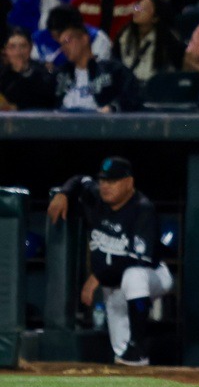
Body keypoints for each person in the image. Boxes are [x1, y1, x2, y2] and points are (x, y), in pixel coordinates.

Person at [47, 156, 174, 366]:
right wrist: (63, 193)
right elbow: (81, 179)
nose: (105, 186)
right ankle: (135, 360)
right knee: (123, 354)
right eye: (104, 180)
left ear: (128, 183)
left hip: (154, 275)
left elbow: (137, 259)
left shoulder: (143, 209)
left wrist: (96, 277)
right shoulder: (96, 196)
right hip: (112, 287)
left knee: (134, 277)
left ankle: (139, 345)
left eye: (113, 181)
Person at [52, 4, 141, 112]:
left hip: (98, 123)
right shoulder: (61, 73)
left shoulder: (113, 70)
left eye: (67, 42)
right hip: (63, 122)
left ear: (84, 39)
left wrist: (113, 108)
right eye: (61, 44)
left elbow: (133, 97)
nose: (63, 48)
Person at [114, 0, 185, 84]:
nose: (137, 11)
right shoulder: (123, 35)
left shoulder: (169, 41)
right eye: (137, 7)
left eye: (143, 9)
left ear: (155, 18)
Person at [31, 0, 113, 70]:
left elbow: (100, 70)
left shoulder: (98, 39)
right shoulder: (39, 39)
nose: (60, 40)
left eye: (65, 38)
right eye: (55, 35)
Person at [0, 29, 55, 111]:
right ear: (5, 50)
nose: (18, 52)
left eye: (23, 46)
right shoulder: (2, 76)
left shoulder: (44, 73)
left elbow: (48, 103)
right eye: (12, 46)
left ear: (31, 47)